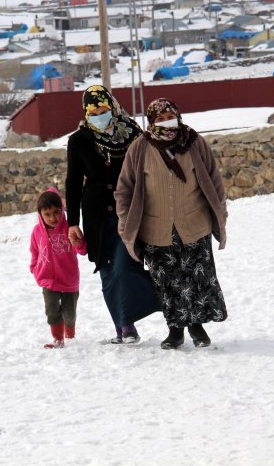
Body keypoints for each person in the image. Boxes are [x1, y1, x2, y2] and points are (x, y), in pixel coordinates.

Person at [115, 98, 228, 349]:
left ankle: (197, 328)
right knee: (167, 282)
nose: (167, 120)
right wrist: (125, 219)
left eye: (170, 114)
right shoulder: (140, 148)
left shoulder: (194, 142)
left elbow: (213, 178)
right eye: (161, 117)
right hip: (156, 229)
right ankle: (175, 331)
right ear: (151, 121)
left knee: (197, 278)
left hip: (194, 223)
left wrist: (220, 210)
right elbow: (124, 189)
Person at [65, 85, 160, 344]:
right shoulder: (79, 140)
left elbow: (150, 168)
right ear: (86, 111)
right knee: (107, 271)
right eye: (93, 110)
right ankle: (123, 326)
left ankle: (155, 302)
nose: (98, 113)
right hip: (96, 216)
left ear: (112, 106)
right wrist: (72, 222)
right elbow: (73, 182)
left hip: (129, 212)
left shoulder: (133, 133)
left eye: (103, 108)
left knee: (124, 265)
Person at [30, 187, 87, 349]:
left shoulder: (69, 227)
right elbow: (34, 251)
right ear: (40, 214)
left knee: (69, 314)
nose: (53, 217)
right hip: (47, 280)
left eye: (56, 212)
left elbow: (82, 250)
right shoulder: (37, 231)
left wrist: (79, 242)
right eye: (47, 214)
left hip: (68, 279)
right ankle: (58, 339)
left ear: (62, 210)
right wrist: (34, 268)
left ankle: (70, 334)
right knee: (52, 310)